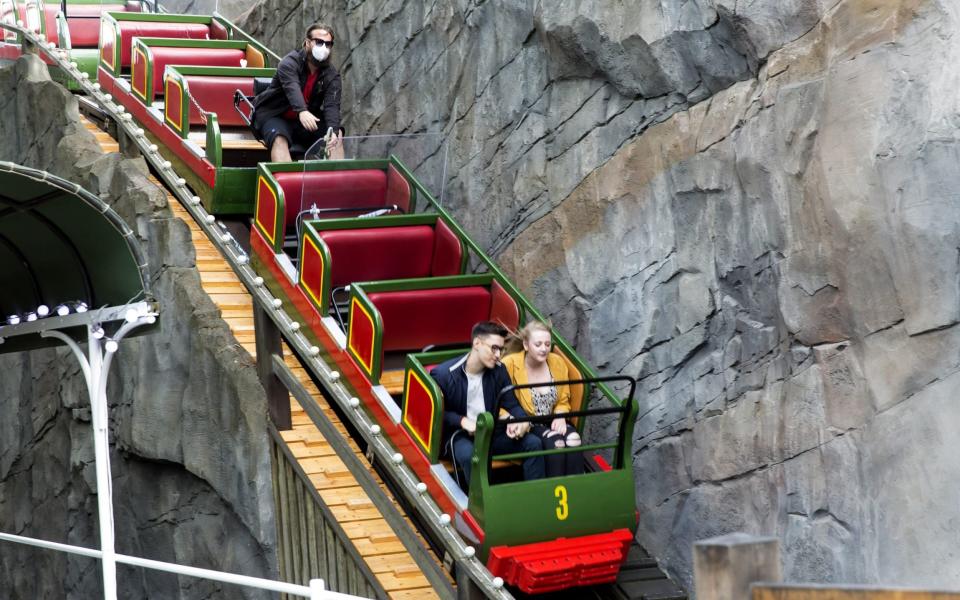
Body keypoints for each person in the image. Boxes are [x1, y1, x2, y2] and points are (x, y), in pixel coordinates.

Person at [431, 321, 545, 491]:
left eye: (501, 349)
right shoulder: (444, 374)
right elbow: (437, 412)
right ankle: (482, 508)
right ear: (477, 343)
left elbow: (512, 404)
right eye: (494, 348)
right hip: (459, 434)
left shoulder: (499, 370)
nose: (498, 355)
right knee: (471, 456)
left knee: (534, 443)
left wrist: (522, 421)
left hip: (490, 432)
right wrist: (462, 421)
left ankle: (536, 498)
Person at [251, 23, 344, 162]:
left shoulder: (331, 74)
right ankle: (287, 182)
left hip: (307, 120)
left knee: (336, 137)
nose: (323, 48)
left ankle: (337, 181)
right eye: (319, 42)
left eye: (328, 44)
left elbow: (332, 105)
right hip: (276, 115)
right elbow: (292, 87)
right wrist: (302, 110)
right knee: (279, 138)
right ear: (307, 43)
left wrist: (333, 130)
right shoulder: (289, 63)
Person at [501, 321, 583, 477]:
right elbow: (500, 400)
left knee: (573, 439)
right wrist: (511, 419)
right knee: (556, 443)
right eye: (538, 344)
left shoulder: (557, 362)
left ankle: (576, 491)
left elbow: (564, 398)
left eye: (547, 344)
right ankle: (553, 493)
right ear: (526, 345)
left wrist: (560, 414)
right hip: (527, 421)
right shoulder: (510, 364)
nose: (544, 349)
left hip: (552, 418)